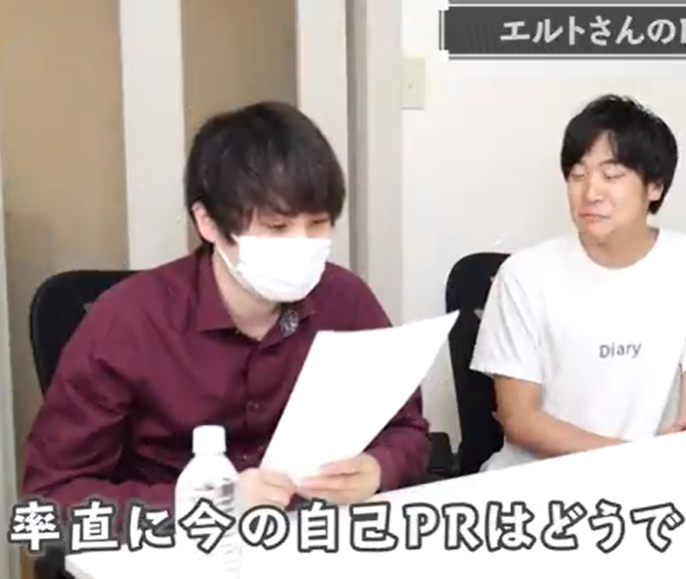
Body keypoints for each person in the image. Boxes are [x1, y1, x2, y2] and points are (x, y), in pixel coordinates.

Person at [23, 101, 431, 512]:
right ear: (208, 223)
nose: (303, 243)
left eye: (318, 223)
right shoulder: (128, 321)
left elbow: (408, 431)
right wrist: (198, 504)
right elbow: (51, 495)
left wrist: (378, 468)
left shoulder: (346, 299)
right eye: (277, 227)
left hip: (315, 530)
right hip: (177, 540)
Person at [470, 95, 686, 471]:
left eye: (612, 175)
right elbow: (519, 419)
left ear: (655, 186)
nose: (590, 193)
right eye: (577, 176)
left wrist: (659, 465)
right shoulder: (523, 275)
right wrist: (633, 458)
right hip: (539, 479)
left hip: (656, 478)